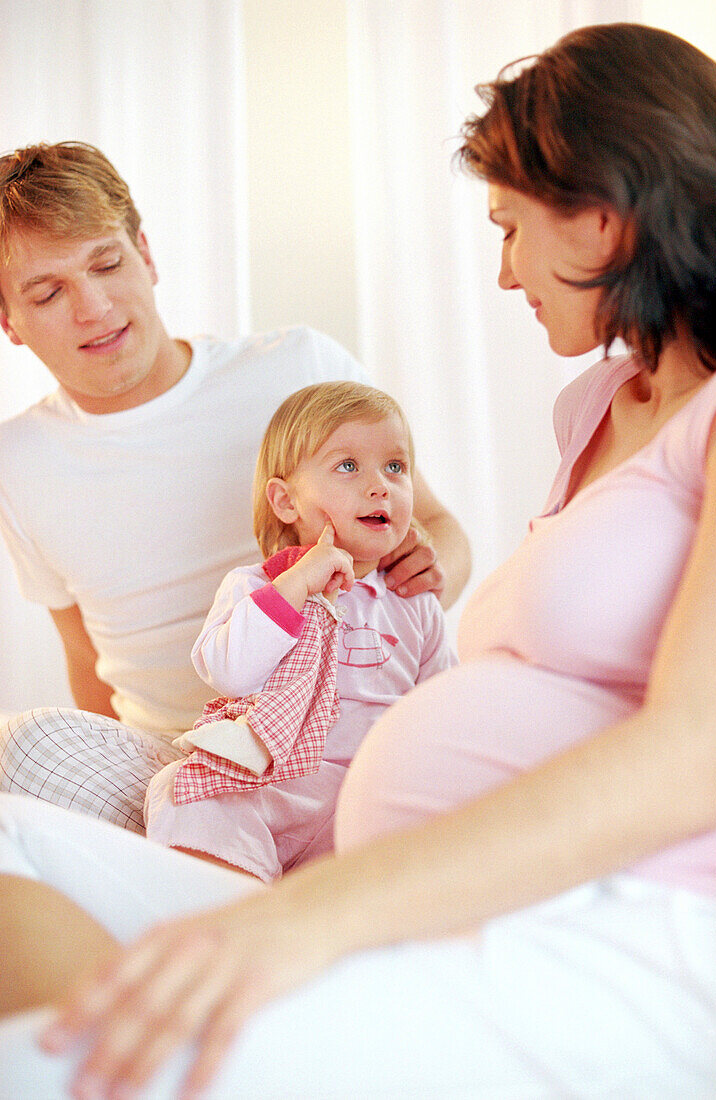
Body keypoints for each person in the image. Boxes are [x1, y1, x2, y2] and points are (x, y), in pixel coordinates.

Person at [0, 21, 716, 1099]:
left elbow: (693, 754)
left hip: (600, 919)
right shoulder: (597, 410)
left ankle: (167, 1048)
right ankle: (168, 1037)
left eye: (510, 228)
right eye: (48, 291)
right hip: (312, 818)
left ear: (605, 221)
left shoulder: (714, 415)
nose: (499, 270)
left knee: (43, 1060)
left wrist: (301, 918)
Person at [0, 142, 471, 833]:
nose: (95, 306)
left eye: (107, 263)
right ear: (8, 320)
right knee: (23, 754)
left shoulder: (299, 368)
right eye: (48, 291)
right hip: (180, 756)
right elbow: (86, 662)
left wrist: (432, 567)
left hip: (345, 741)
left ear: (146, 254)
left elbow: (436, 529)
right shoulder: (18, 461)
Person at [145, 381, 455, 878]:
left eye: (395, 467)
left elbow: (444, 710)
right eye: (348, 466)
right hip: (277, 783)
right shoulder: (255, 586)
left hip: (369, 796)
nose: (380, 485)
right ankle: (233, 896)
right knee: (181, 792)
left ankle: (334, 900)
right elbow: (227, 671)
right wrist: (297, 587)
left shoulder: (413, 603)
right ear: (286, 502)